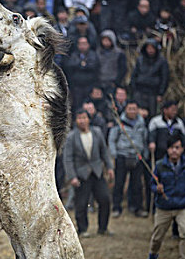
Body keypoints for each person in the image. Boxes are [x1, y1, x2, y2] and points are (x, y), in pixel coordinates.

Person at [63, 109, 114, 237]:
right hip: (81, 175)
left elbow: (104, 151)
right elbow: (67, 158)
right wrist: (72, 177)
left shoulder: (97, 132)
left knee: (105, 199)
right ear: (76, 120)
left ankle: (103, 228)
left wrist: (109, 167)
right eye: (79, 118)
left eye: (84, 117)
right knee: (81, 203)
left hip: (97, 172)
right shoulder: (71, 137)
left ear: (88, 119)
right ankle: (82, 229)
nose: (82, 121)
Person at [108, 100, 149, 218]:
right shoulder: (119, 122)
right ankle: (116, 207)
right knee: (119, 183)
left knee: (137, 184)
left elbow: (144, 139)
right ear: (126, 110)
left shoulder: (142, 123)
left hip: (137, 156)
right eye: (130, 109)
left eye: (134, 109)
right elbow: (112, 139)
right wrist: (114, 154)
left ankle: (138, 208)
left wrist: (144, 153)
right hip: (122, 156)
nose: (132, 111)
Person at [130, 39, 169, 118]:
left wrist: (160, 93)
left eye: (152, 48)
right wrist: (133, 88)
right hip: (139, 90)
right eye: (148, 48)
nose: (150, 50)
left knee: (152, 114)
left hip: (153, 92)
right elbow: (134, 75)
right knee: (138, 112)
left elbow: (165, 78)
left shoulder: (162, 61)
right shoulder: (140, 60)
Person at [63, 36, 99, 111]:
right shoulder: (74, 55)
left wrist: (80, 65)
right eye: (81, 44)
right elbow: (70, 65)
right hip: (77, 87)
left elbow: (93, 66)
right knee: (77, 107)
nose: (83, 46)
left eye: (84, 43)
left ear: (88, 45)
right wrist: (83, 65)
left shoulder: (93, 55)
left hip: (90, 86)